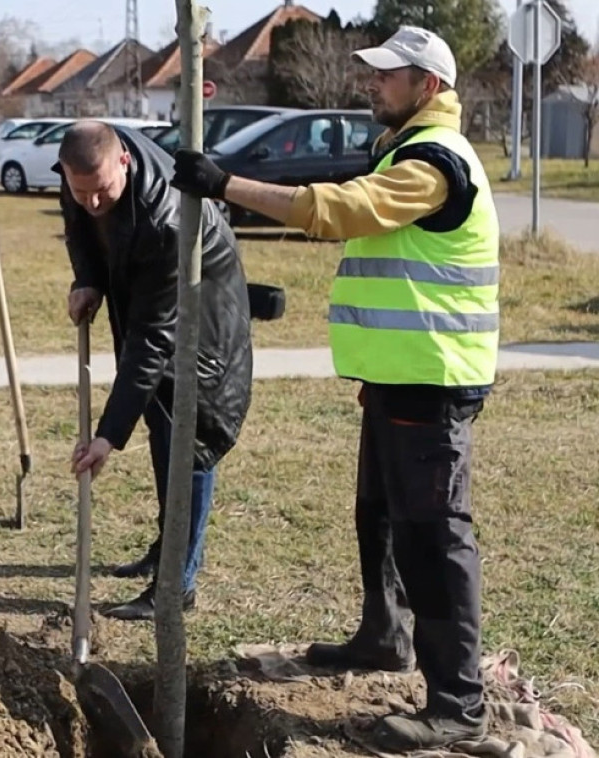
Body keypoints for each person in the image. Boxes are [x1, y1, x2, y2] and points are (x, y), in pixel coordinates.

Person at [172, 25, 499, 752]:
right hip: (397, 379)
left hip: (431, 381)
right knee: (378, 518)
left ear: (428, 86)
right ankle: (384, 635)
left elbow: (338, 211)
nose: (372, 82)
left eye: (388, 74)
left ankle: (459, 705)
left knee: (433, 539)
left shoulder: (435, 163)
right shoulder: (403, 149)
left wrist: (226, 184)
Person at [58, 121, 253, 621]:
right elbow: (80, 228)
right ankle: (167, 549)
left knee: (190, 440)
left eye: (101, 191)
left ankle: (176, 583)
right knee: (162, 428)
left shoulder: (167, 220)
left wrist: (107, 436)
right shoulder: (83, 170)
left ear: (123, 162)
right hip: (152, 309)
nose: (92, 203)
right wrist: (88, 279)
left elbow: (150, 341)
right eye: (80, 192)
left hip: (204, 319)